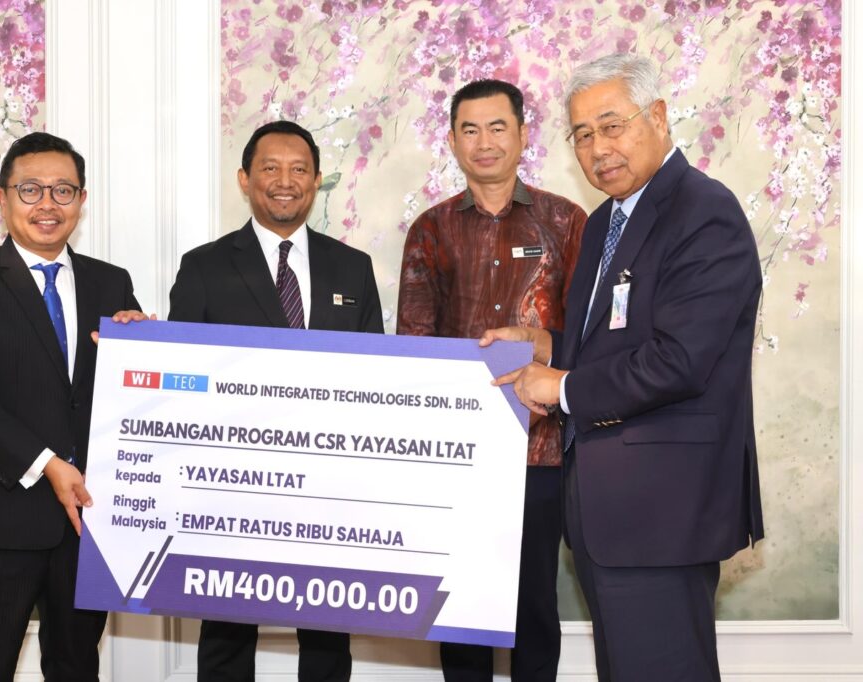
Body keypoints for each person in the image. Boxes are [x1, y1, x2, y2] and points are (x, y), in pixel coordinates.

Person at [484, 53, 765, 681]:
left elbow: (679, 360)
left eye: (612, 126)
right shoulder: (608, 220)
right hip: (608, 512)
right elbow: (613, 342)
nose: (598, 148)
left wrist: (562, 387)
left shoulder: (703, 211)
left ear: (657, 117)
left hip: (663, 512)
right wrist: (546, 345)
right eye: (582, 135)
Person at [168, 120, 383, 681]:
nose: (285, 181)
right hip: (232, 484)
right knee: (226, 632)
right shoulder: (204, 267)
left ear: (316, 181)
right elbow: (178, 377)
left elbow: (375, 380)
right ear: (245, 179)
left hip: (328, 485)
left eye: (299, 170)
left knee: (327, 630)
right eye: (270, 168)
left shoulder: (352, 267)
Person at [0, 132, 146, 680]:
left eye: (63, 190)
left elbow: (137, 395)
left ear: (81, 200)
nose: (48, 204)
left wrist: (147, 345)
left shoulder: (111, 283)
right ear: (2, 198)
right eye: (31, 190)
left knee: (76, 668)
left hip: (86, 525)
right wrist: (47, 464)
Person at [397, 79, 586, 682]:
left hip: (542, 449)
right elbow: (415, 345)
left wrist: (543, 348)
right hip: (459, 457)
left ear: (523, 135)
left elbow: (590, 338)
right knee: (463, 608)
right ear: (453, 141)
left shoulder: (567, 221)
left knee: (534, 608)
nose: (484, 142)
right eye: (470, 130)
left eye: (498, 127)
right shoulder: (430, 229)